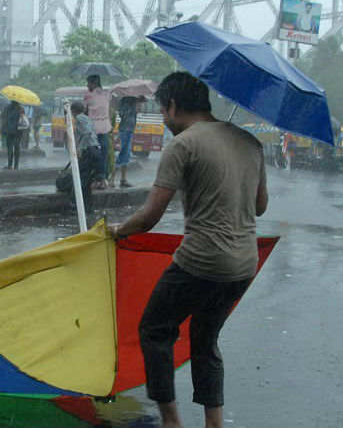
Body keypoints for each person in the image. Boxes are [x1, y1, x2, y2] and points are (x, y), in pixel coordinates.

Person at [109, 72, 268, 428]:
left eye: (163, 112)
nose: (165, 122)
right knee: (205, 338)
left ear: (173, 106)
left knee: (154, 328)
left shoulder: (183, 145)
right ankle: (214, 423)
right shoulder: (251, 143)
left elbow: (150, 215)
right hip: (243, 265)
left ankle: (171, 422)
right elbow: (260, 207)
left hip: (200, 261)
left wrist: (118, 231)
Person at [70, 100, 100, 213]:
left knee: (81, 179)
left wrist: (80, 149)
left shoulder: (78, 118)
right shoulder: (87, 118)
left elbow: (87, 133)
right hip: (96, 149)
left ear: (73, 111)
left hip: (89, 150)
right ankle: (89, 207)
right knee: (87, 181)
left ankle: (75, 205)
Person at [84, 74, 112, 190]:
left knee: (93, 155)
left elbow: (84, 111)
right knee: (103, 155)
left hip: (93, 129)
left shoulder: (88, 97)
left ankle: (94, 180)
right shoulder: (107, 94)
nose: (87, 85)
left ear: (94, 82)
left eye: (89, 83)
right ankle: (103, 180)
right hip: (105, 128)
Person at [110, 96, 144, 188]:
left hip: (130, 130)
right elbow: (122, 114)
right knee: (123, 154)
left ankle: (123, 179)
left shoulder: (134, 103)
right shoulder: (124, 103)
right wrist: (134, 106)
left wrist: (138, 103)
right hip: (125, 130)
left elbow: (137, 112)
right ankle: (112, 178)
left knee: (126, 155)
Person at [0, 100, 25, 169]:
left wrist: (2, 129)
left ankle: (9, 164)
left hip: (9, 130)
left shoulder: (7, 108)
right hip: (18, 131)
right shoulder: (21, 110)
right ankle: (16, 165)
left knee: (9, 147)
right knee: (17, 147)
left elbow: (3, 117)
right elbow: (23, 120)